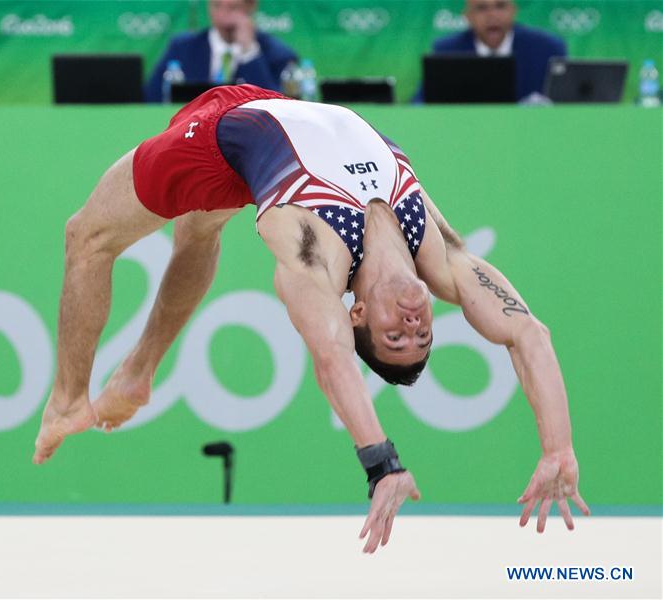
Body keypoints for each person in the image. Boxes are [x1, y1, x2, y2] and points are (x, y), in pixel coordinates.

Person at [32, 84, 590, 553]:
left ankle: (67, 400)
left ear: (359, 313)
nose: (416, 324)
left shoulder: (314, 256)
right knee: (199, 226)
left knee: (86, 236)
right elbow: (526, 333)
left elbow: (331, 357)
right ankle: (138, 369)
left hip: (223, 137)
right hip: (275, 108)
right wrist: (557, 448)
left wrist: (383, 465)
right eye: (423, 335)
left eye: (395, 336)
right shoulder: (439, 255)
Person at [413, 0, 567, 102]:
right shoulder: (446, 51)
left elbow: (569, 103)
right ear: (468, 16)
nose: (492, 15)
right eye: (482, 8)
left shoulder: (547, 48)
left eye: (500, 6)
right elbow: (421, 103)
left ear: (513, 11)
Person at [144, 0, 297, 102]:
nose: (223, 15)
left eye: (233, 8)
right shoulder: (182, 48)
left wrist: (249, 52)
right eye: (217, 6)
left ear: (250, 7)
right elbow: (152, 98)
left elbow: (275, 106)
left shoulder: (278, 53)